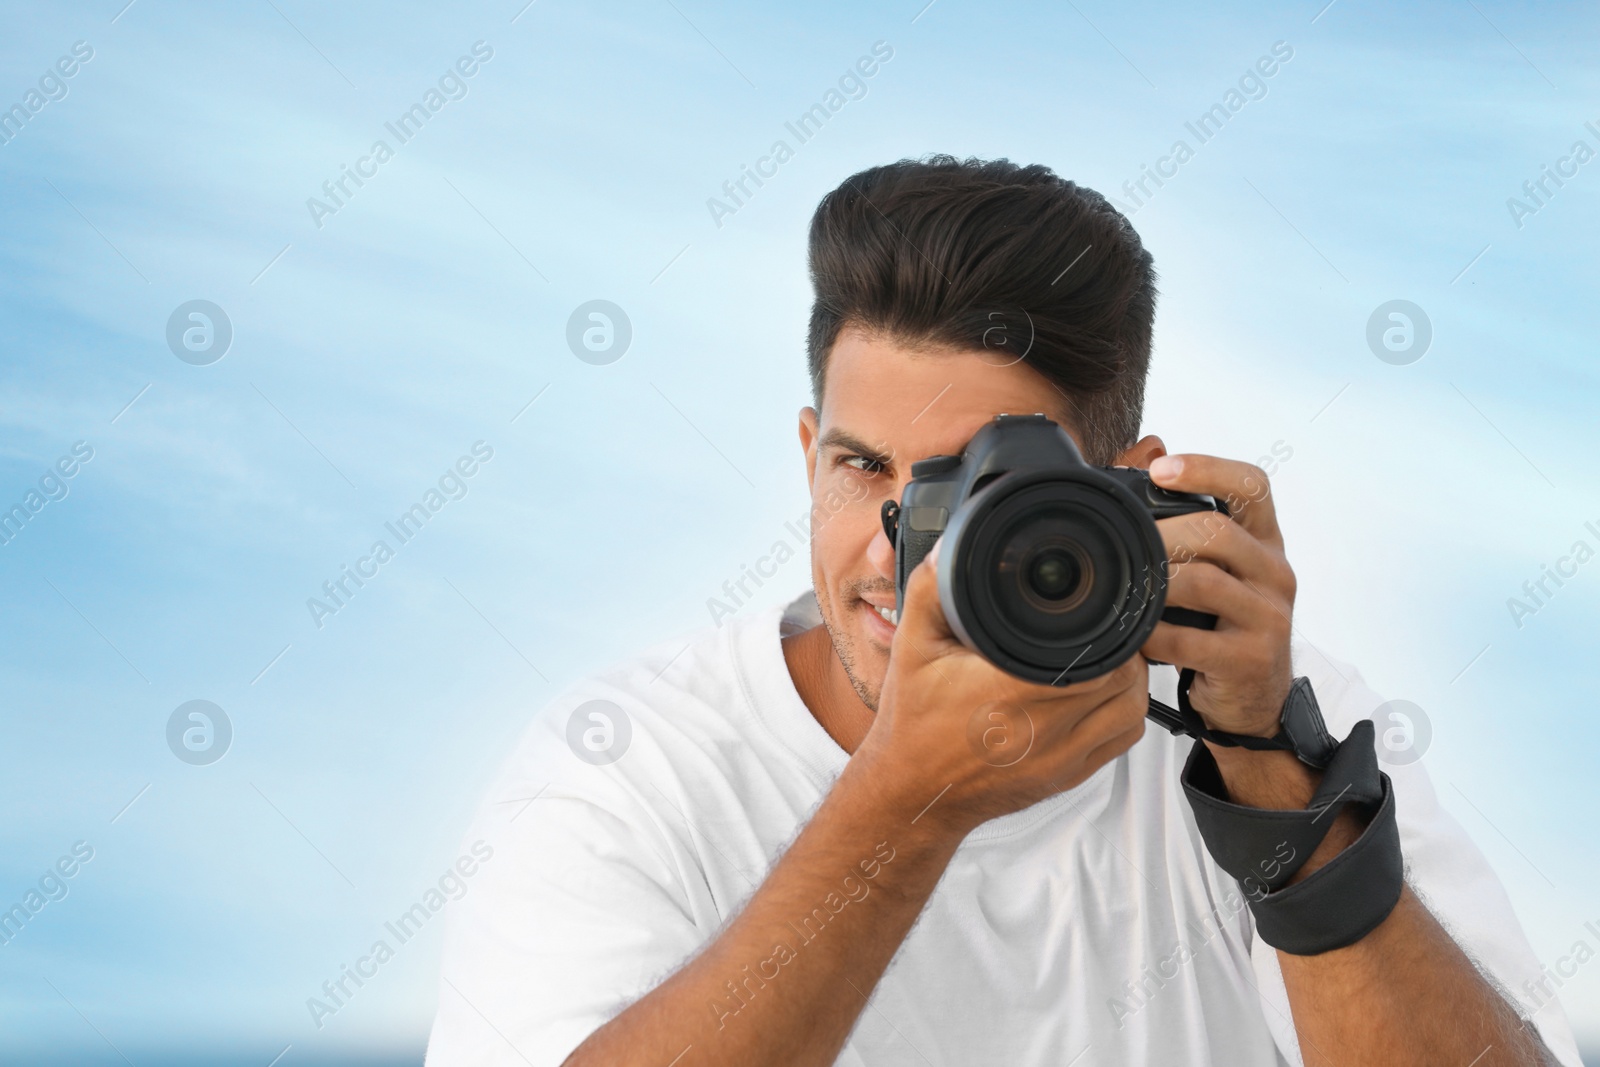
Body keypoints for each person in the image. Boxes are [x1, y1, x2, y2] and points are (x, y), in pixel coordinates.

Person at [424, 156, 1582, 1066]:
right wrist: (903, 806)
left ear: (1125, 490)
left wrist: (1275, 781)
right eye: (860, 466)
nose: (899, 548)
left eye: (968, 489)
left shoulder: (1258, 712)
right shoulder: (632, 763)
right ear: (804, 452)